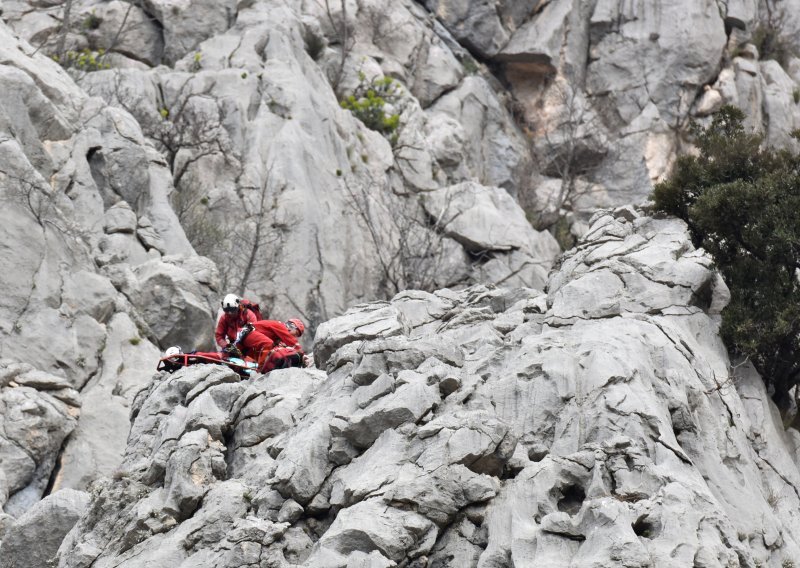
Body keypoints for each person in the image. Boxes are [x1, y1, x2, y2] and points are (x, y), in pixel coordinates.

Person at [240, 318, 308, 372]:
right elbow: (292, 341)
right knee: (268, 344)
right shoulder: (281, 326)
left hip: (247, 340)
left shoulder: (278, 334)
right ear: (292, 326)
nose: (295, 336)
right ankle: (261, 369)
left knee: (273, 350)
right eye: (296, 333)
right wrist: (302, 354)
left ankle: (251, 364)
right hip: (248, 334)